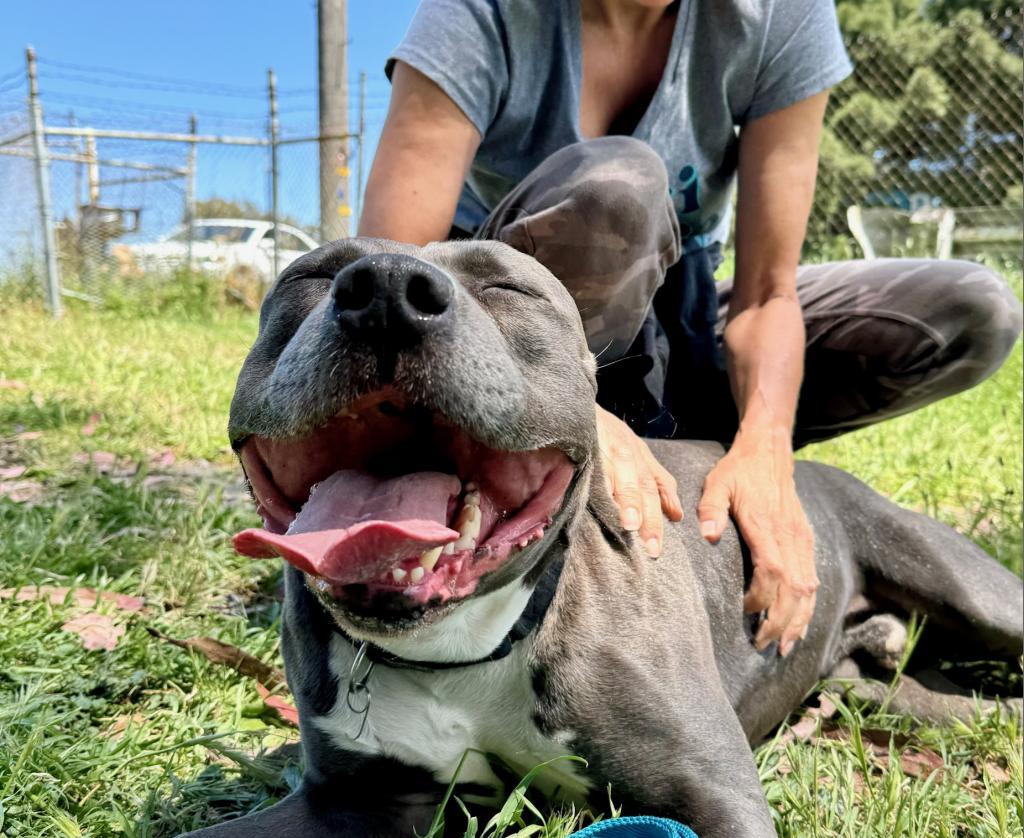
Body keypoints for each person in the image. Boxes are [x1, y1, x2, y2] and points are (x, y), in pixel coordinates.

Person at [358, 0, 1023, 659]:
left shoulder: (779, 15)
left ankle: (691, 445)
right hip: (508, 341)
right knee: (624, 186)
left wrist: (766, 451)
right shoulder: (481, 12)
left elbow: (768, 295)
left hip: (684, 323)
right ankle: (554, 449)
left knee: (973, 311)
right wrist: (570, 409)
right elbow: (388, 265)